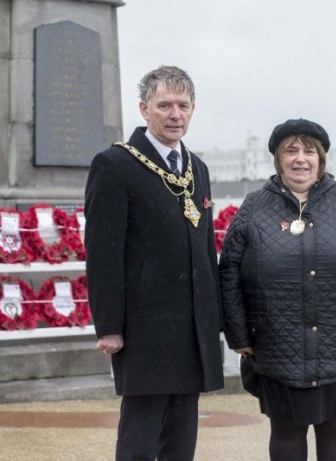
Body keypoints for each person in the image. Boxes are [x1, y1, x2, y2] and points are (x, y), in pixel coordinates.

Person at [219, 118, 336, 461]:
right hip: (276, 342)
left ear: (321, 158)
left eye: (309, 151)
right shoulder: (254, 207)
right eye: (291, 150)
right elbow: (229, 273)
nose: (301, 158)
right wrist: (239, 335)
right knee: (285, 430)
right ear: (278, 159)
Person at [84, 65, 224, 460]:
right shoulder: (115, 165)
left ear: (193, 109)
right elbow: (103, 251)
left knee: (182, 438)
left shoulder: (198, 168)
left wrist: (216, 320)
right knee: (141, 439)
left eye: (183, 105)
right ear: (144, 109)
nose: (175, 114)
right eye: (165, 105)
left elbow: (205, 249)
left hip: (193, 324)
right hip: (145, 323)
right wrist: (109, 325)